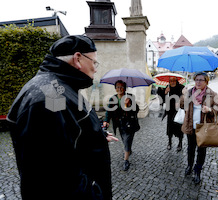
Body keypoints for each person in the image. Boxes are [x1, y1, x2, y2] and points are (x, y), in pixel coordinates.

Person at [7, 35, 118, 200]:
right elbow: (57, 174)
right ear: (78, 58)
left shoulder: (57, 86)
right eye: (94, 62)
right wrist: (94, 194)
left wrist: (96, 135)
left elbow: (66, 131)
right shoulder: (50, 96)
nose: (95, 68)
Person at [180, 72, 218, 184]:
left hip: (204, 127)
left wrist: (209, 110)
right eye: (196, 79)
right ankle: (189, 166)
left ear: (206, 81)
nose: (198, 82)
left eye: (201, 80)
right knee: (190, 149)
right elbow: (181, 105)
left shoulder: (212, 94)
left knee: (201, 151)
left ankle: (197, 171)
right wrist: (184, 96)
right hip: (190, 126)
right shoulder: (189, 92)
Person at [103, 80, 140, 171]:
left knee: (127, 140)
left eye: (121, 87)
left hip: (130, 124)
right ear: (115, 88)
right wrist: (106, 120)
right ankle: (129, 150)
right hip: (119, 124)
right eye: (117, 87)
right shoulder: (113, 99)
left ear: (125, 88)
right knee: (124, 140)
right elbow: (109, 111)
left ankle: (126, 160)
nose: (119, 89)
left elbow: (137, 110)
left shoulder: (130, 97)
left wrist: (130, 104)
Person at [163, 77, 185, 151]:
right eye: (170, 81)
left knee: (179, 127)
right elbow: (162, 99)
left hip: (178, 111)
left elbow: (185, 97)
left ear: (176, 81)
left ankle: (180, 143)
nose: (172, 82)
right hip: (170, 111)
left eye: (174, 81)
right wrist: (165, 93)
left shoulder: (181, 87)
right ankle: (169, 142)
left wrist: (180, 101)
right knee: (170, 127)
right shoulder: (167, 87)